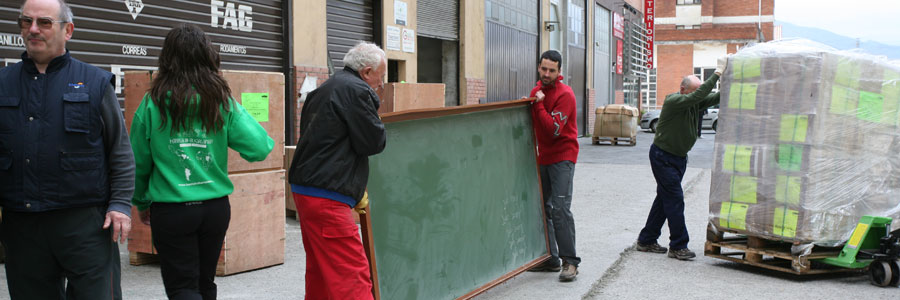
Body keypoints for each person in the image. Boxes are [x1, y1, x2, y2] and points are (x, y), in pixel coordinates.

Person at [0, 0, 134, 299]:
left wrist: (120, 204)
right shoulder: (3, 83)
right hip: (22, 225)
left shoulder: (96, 83)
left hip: (85, 224)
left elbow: (120, 151)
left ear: (68, 30)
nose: (33, 29)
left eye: (44, 22)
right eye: (26, 22)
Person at [130, 24, 274, 300]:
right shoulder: (221, 102)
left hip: (171, 211)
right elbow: (259, 147)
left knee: (182, 288)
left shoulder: (152, 104)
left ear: (167, 59)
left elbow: (138, 162)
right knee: (204, 284)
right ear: (208, 57)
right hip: (214, 210)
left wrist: (143, 201)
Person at [288, 41, 387, 300]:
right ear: (366, 72)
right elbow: (373, 142)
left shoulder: (327, 87)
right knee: (351, 274)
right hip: (327, 197)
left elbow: (331, 142)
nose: (381, 83)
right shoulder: (357, 91)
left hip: (307, 190)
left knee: (321, 271)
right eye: (381, 76)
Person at [634, 56, 728, 260]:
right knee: (675, 199)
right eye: (695, 92)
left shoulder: (694, 102)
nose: (698, 96)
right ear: (683, 89)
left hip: (678, 159)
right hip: (663, 157)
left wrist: (730, 79)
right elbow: (699, 96)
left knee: (664, 199)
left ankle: (647, 239)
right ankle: (678, 245)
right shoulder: (674, 101)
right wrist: (717, 74)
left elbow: (716, 97)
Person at [525, 50, 581, 282]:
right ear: (539, 67)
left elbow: (553, 130)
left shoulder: (565, 94)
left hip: (563, 156)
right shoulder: (536, 92)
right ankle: (551, 258)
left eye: (552, 70)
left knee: (559, 209)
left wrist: (538, 105)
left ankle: (570, 262)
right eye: (544, 69)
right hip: (544, 156)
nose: (547, 73)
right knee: (543, 208)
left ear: (559, 72)